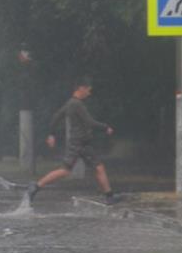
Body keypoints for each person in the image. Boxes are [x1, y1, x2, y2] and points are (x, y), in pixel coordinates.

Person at [26, 76, 120, 205]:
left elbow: (56, 117)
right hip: (79, 143)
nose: (89, 93)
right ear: (81, 88)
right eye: (88, 90)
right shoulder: (76, 104)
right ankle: (36, 186)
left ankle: (109, 196)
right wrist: (105, 127)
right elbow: (89, 122)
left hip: (80, 143)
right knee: (72, 170)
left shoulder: (70, 103)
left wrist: (51, 134)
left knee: (94, 168)